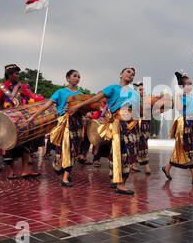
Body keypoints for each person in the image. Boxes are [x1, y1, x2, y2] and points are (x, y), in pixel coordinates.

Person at [68, 67, 140, 195]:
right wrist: (78, 106)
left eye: (133, 74)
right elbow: (95, 99)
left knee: (129, 153)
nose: (131, 75)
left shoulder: (134, 92)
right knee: (121, 152)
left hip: (131, 124)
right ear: (121, 74)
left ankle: (118, 180)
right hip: (118, 123)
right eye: (128, 72)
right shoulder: (113, 88)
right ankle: (120, 184)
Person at [28, 70, 83, 187]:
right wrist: (33, 116)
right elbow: (47, 105)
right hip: (63, 123)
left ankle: (65, 177)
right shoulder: (60, 92)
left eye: (79, 77)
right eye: (74, 76)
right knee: (61, 149)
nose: (77, 78)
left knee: (72, 150)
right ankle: (61, 170)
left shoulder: (81, 93)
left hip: (76, 124)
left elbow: (85, 109)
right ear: (68, 78)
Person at [0, 64, 43, 179]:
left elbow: (31, 96)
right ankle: (11, 171)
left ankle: (25, 171)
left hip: (20, 120)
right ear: (9, 74)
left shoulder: (22, 87)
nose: (18, 75)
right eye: (16, 73)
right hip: (6, 121)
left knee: (25, 144)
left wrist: (44, 100)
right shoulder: (0, 87)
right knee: (8, 147)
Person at [161, 72, 193, 184]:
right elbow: (178, 108)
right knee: (185, 148)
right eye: (187, 84)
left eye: (191, 83)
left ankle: (167, 167)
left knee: (187, 149)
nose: (190, 86)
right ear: (182, 86)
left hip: (192, 124)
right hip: (184, 124)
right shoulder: (180, 96)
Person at [133, 81, 152, 175]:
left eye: (143, 90)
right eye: (140, 90)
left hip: (146, 125)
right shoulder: (134, 100)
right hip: (137, 125)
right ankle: (146, 166)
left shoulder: (148, 100)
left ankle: (134, 164)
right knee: (141, 144)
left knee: (141, 144)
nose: (142, 91)